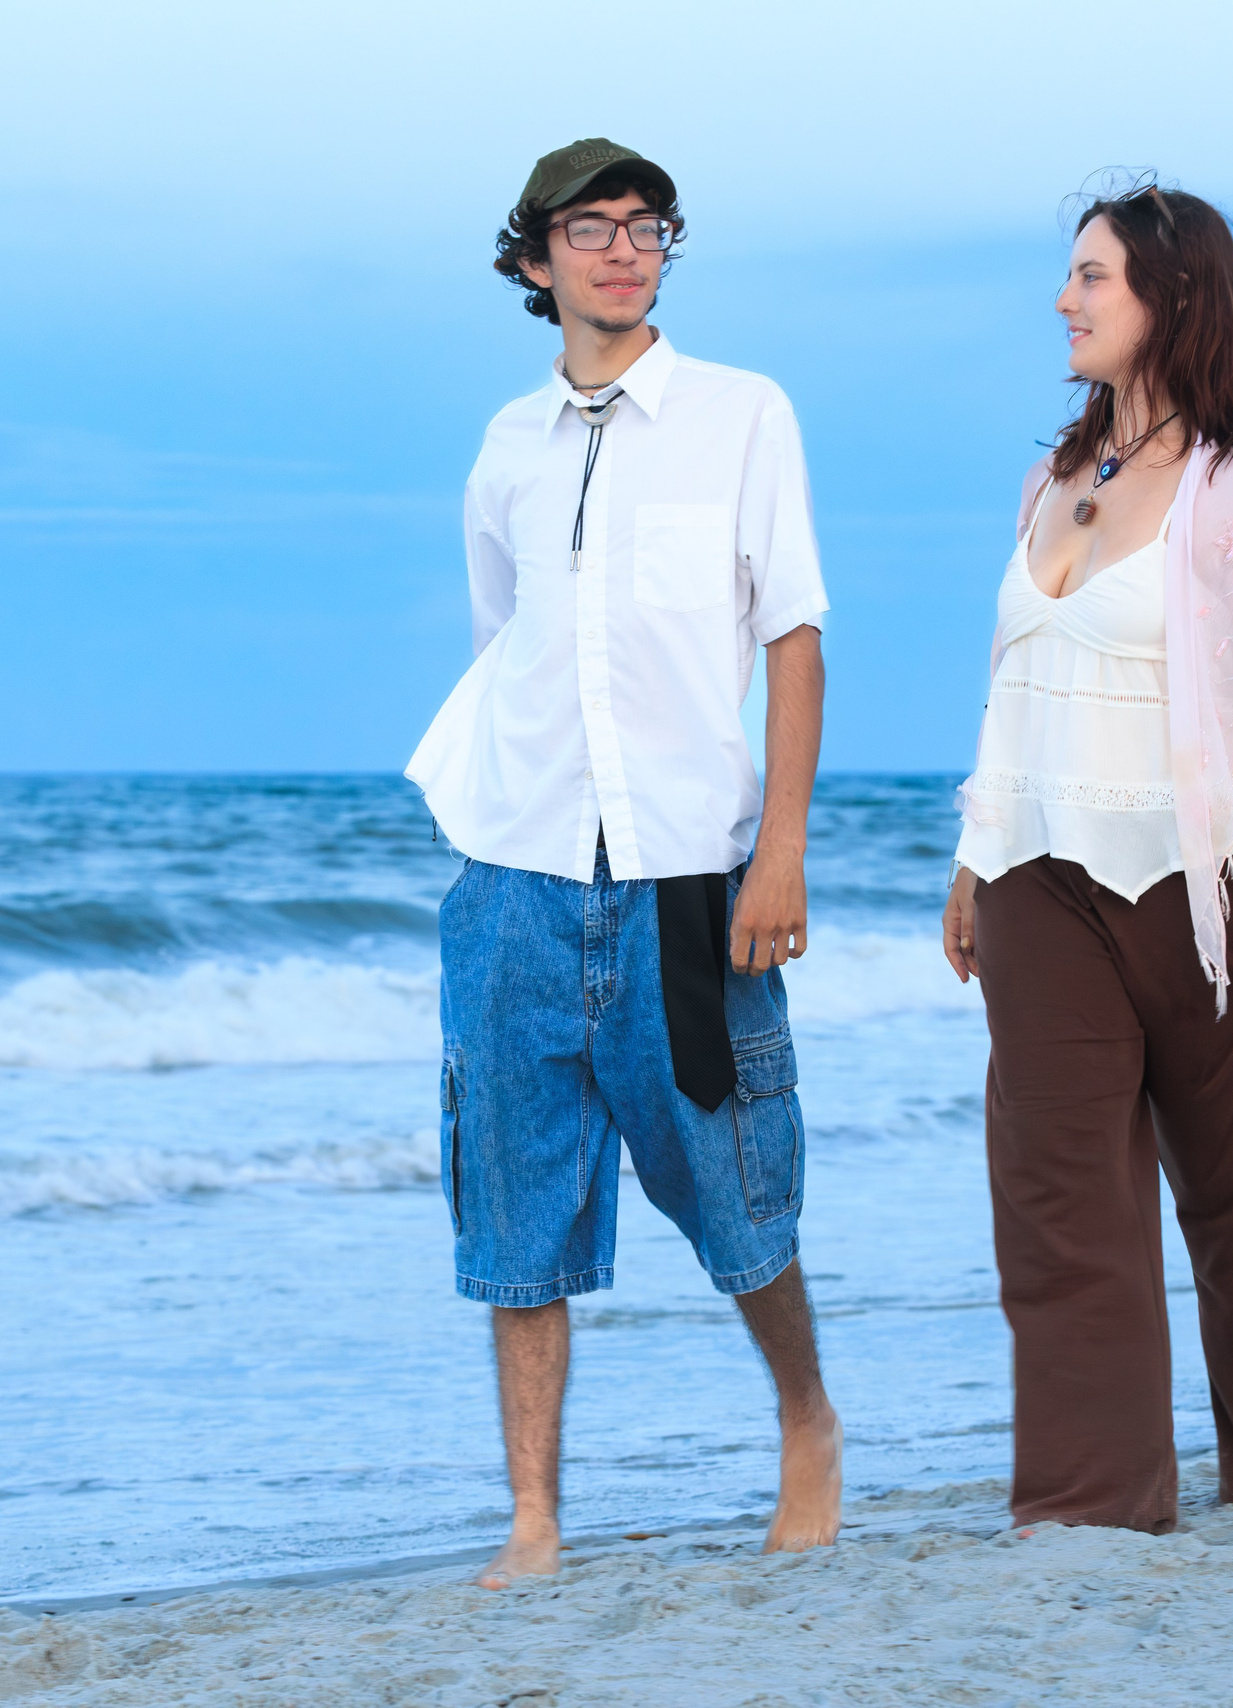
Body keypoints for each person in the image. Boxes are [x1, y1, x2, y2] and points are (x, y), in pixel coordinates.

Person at [406, 139, 843, 1587]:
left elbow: (792, 637)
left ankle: (806, 1421)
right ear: (534, 263)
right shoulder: (503, 451)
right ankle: (534, 1520)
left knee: (733, 1186)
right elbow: (501, 651)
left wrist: (777, 850)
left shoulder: (741, 416)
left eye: (644, 227)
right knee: (517, 1216)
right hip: (515, 881)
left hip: (686, 881)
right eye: (586, 231)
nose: (620, 251)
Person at [939, 183, 1233, 1534]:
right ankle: (1087, 1506)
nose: (1065, 301)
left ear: (1170, 300)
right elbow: (1012, 686)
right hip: (1037, 879)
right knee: (1059, 1209)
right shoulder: (1052, 481)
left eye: (1092, 278)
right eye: (1070, 277)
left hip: (1208, 885)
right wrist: (971, 857)